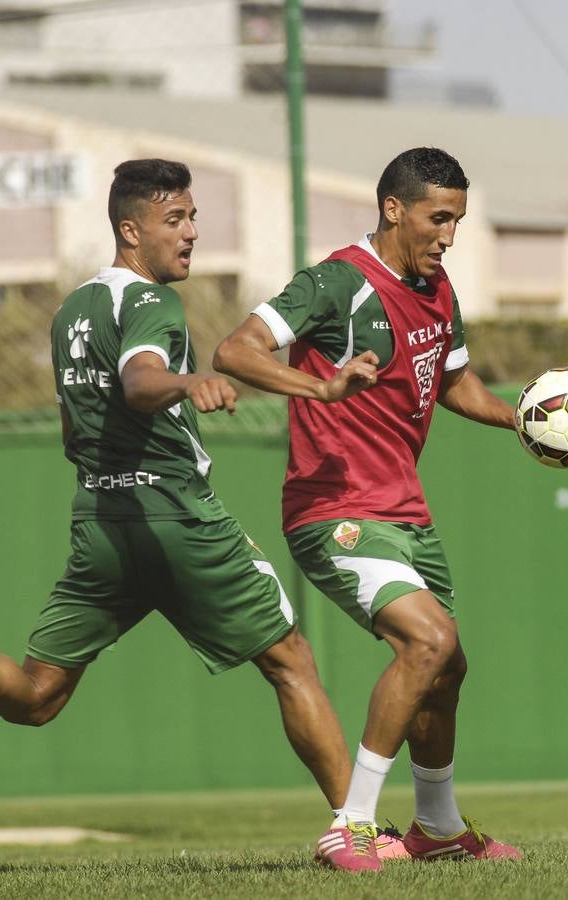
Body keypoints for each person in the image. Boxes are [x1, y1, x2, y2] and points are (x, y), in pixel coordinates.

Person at [0, 159, 385, 873]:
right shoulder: (152, 305)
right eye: (176, 220)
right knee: (290, 660)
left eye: (194, 217)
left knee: (40, 696)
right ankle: (352, 831)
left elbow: (74, 431)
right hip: (174, 513)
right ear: (130, 229)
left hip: (101, 520)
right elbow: (141, 384)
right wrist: (188, 379)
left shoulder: (72, 310)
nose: (192, 233)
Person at [212, 147, 523, 868]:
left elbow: (454, 386)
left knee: (447, 668)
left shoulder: (437, 289)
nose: (448, 235)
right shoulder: (336, 283)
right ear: (393, 209)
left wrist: (523, 420)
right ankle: (349, 824)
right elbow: (235, 350)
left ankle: (438, 828)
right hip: (333, 509)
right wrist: (320, 389)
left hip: (406, 512)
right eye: (437, 218)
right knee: (428, 643)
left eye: (457, 221)